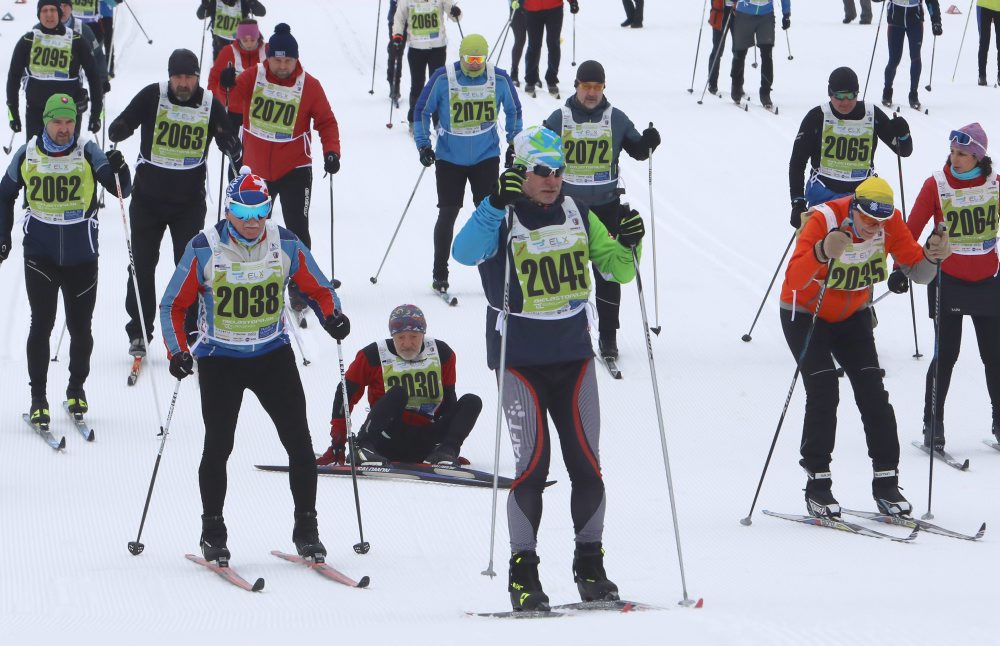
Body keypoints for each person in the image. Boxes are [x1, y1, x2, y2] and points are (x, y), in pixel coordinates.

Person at [453, 125, 644, 611]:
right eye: (541, 171)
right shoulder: (502, 214)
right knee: (533, 467)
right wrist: (494, 202)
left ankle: (590, 567)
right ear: (520, 170)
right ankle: (523, 574)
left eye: (558, 171)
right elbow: (464, 252)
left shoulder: (577, 211)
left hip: (573, 355)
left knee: (588, 467)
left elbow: (618, 270)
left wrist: (632, 243)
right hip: (519, 360)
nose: (552, 180)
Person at [159, 167, 350, 565]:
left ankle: (307, 530)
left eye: (259, 211)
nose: (251, 221)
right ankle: (213, 532)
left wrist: (332, 316)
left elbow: (317, 287)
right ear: (228, 211)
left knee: (299, 444)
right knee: (218, 446)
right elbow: (173, 305)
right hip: (219, 358)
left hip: (271, 355)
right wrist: (178, 351)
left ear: (268, 209)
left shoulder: (286, 243)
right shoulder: (203, 247)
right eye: (242, 212)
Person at [779, 176, 952, 520]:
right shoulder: (824, 220)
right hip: (806, 313)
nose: (875, 228)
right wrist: (821, 251)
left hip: (852, 316)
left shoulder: (890, 223)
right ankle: (818, 485)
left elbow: (917, 272)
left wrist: (934, 257)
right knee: (824, 390)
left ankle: (887, 482)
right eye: (868, 220)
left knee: (873, 392)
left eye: (881, 221)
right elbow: (794, 280)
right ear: (854, 209)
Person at [0, 94, 131, 425]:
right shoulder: (28, 152)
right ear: (46, 121)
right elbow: (4, 194)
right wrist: (3, 236)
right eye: (57, 121)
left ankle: (76, 389)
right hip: (40, 255)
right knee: (41, 323)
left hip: (81, 256)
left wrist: (121, 167)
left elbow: (119, 190)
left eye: (69, 121)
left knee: (80, 328)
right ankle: (38, 397)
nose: (63, 129)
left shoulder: (87, 150)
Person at [107, 48, 242, 357]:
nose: (183, 84)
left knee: (188, 268)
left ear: (197, 77)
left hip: (188, 205)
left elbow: (229, 138)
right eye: (178, 77)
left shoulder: (209, 104)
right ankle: (140, 331)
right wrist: (119, 131)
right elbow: (125, 121)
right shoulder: (152, 96)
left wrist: (229, 144)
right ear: (169, 77)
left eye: (189, 77)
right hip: (147, 201)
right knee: (141, 266)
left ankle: (191, 328)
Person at [888, 124, 1000, 449]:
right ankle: (932, 423)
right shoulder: (936, 184)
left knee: (994, 356)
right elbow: (910, 228)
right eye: (952, 152)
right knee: (946, 354)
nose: (955, 158)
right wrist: (900, 267)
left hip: (988, 281)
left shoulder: (994, 185)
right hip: (947, 280)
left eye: (962, 153)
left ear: (978, 155)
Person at [542, 60, 660, 361]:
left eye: (597, 87)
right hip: (566, 210)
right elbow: (538, 149)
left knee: (608, 275)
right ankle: (564, 333)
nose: (592, 93)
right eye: (586, 87)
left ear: (603, 88)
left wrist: (648, 143)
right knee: (564, 274)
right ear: (577, 86)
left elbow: (636, 149)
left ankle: (608, 336)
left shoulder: (615, 118)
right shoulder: (561, 118)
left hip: (606, 207)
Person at [221, 23, 342, 314]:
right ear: (268, 57)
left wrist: (332, 152)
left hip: (294, 169)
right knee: (248, 227)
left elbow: (326, 121)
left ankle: (301, 287)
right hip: (255, 171)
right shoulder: (253, 77)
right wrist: (225, 83)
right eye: (277, 59)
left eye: (288, 60)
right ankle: (244, 277)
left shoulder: (309, 85)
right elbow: (228, 102)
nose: (283, 65)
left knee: (298, 228)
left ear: (296, 59)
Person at [413, 33, 522, 295]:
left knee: (491, 213)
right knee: (448, 212)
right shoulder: (443, 77)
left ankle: (497, 271)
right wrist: (423, 145)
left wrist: (513, 144)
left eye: (479, 59)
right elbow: (421, 111)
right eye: (468, 59)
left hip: (485, 156)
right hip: (450, 158)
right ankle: (440, 272)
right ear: (460, 56)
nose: (473, 64)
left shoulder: (499, 78)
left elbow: (514, 110)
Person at [317, 304, 483, 467]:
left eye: (413, 336)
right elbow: (345, 393)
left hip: (425, 438)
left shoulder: (442, 353)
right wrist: (338, 440)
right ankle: (363, 447)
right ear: (392, 336)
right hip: (386, 436)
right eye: (401, 337)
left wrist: (448, 438)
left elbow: (448, 400)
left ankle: (445, 453)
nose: (407, 343)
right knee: (398, 393)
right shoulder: (373, 355)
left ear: (423, 334)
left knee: (472, 401)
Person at [788, 66, 912, 228]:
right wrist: (797, 202)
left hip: (863, 196)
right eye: (839, 96)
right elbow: (797, 162)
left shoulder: (871, 115)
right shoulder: (817, 117)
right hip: (824, 191)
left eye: (851, 95)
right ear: (830, 93)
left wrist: (903, 134)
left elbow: (903, 150)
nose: (845, 102)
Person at [6, 0, 104, 142]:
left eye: (52, 10)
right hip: (36, 110)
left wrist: (96, 115)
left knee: (68, 158)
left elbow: (94, 77)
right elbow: (13, 77)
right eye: (44, 11)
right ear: (39, 14)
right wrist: (13, 114)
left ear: (59, 13)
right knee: (37, 158)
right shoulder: (28, 40)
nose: (49, 15)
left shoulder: (76, 40)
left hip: (68, 112)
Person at [391, 0, 461, 134]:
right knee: (417, 85)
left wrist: (456, 12)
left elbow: (453, 14)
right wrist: (397, 35)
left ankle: (439, 120)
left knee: (437, 84)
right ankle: (415, 121)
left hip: (437, 47)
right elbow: (399, 17)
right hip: (416, 48)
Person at [877, 0, 942, 111]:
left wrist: (936, 21)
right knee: (894, 59)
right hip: (895, 18)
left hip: (914, 19)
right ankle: (887, 91)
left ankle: (913, 94)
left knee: (915, 57)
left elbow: (931, 1)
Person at [60, 1, 110, 134]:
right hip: (46, 88)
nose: (62, 10)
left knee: (70, 134)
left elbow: (98, 55)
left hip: (73, 87)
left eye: (65, 6)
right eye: (59, 6)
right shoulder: (43, 29)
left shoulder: (81, 28)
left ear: (71, 8)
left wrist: (103, 79)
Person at [730, 0, 791, 109]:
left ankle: (765, 92)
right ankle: (736, 85)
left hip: (766, 14)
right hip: (744, 12)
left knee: (767, 54)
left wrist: (786, 14)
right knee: (739, 52)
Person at [207, 17, 265, 126]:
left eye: (252, 40)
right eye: (245, 40)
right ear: (239, 38)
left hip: (261, 113)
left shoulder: (267, 50)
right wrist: (217, 101)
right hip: (233, 112)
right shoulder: (228, 51)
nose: (249, 44)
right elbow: (213, 79)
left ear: (258, 37)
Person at [523, 0, 578, 99]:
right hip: (532, 8)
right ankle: (531, 79)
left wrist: (573, 2)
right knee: (534, 46)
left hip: (554, 8)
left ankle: (551, 79)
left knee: (553, 45)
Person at [196, 0, 267, 62]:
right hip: (219, 45)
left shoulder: (243, 2)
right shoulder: (214, 2)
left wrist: (252, 2)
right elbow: (201, 15)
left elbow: (261, 12)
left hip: (242, 45)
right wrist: (204, 5)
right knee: (220, 72)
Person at [707, 0, 735, 96]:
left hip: (737, 12)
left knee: (739, 50)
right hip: (720, 12)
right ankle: (712, 83)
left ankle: (737, 86)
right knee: (717, 49)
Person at [978, 0, 1000, 86]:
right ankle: (982, 75)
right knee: (984, 42)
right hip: (984, 6)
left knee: (984, 42)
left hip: (989, 6)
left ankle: (982, 76)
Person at [509, 1, 527, 87]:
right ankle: (514, 71)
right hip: (517, 9)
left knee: (535, 43)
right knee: (520, 40)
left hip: (534, 9)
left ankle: (534, 73)